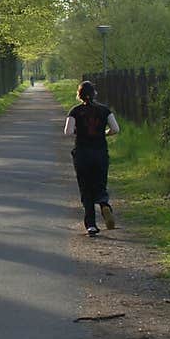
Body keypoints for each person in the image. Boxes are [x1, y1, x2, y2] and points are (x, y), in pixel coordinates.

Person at [64, 80, 119, 236]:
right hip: (100, 153)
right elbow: (115, 129)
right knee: (100, 183)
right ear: (94, 93)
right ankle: (103, 203)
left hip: (82, 154)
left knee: (85, 188)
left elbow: (67, 131)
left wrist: (79, 132)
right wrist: (104, 133)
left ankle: (91, 225)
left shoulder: (75, 111)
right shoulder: (104, 110)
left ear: (79, 95)